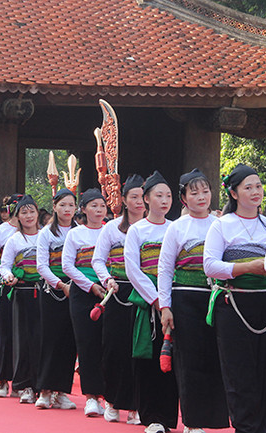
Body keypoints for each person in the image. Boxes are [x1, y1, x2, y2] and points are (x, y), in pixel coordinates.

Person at [204, 163, 266, 433]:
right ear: (234, 193)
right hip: (234, 304)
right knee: (239, 372)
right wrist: (247, 268)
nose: (256, 191)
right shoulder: (221, 225)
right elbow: (210, 266)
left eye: (258, 186)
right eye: (248, 187)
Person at [158, 169, 229, 433]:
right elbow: (165, 269)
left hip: (216, 298)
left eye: (205, 191)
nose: (201, 197)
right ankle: (192, 421)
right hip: (185, 298)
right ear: (184, 198)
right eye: (194, 192)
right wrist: (165, 306)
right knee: (189, 361)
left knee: (215, 357)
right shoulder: (177, 227)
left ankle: (212, 417)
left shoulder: (221, 223)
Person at [124, 170, 179, 433]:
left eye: (168, 195)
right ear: (146, 199)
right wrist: (157, 299)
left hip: (173, 298)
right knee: (149, 356)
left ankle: (169, 416)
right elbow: (133, 270)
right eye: (159, 195)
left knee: (173, 358)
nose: (164, 200)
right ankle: (152, 417)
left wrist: (168, 299)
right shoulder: (137, 230)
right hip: (148, 302)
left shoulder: (175, 227)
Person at [91, 174, 145, 425]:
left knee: (140, 350)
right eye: (134, 197)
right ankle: (112, 401)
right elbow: (98, 260)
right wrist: (107, 280)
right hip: (118, 291)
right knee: (114, 348)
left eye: (143, 196)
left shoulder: (156, 227)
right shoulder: (111, 228)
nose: (139, 201)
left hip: (145, 293)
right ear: (123, 200)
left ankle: (136, 405)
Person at [62, 188, 108, 417]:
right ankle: (91, 396)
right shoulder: (75, 234)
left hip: (109, 292)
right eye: (94, 206)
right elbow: (67, 266)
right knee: (87, 344)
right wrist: (90, 286)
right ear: (83, 209)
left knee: (107, 344)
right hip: (83, 293)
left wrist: (106, 283)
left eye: (102, 206)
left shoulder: (112, 230)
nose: (99, 210)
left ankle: (108, 396)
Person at [34, 189, 78, 410]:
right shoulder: (46, 233)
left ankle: (62, 392)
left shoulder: (79, 231)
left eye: (71, 205)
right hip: (52, 290)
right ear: (54, 207)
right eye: (63, 205)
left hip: (76, 288)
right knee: (50, 339)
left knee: (69, 341)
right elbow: (41, 265)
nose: (67, 209)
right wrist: (60, 285)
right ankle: (44, 390)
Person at [0, 195, 42, 403]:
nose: (29, 215)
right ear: (17, 216)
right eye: (24, 212)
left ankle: (43, 386)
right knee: (23, 340)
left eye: (32, 211)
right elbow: (4, 265)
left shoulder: (46, 236)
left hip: (44, 291)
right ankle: (24, 385)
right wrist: (8, 276)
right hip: (22, 292)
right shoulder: (14, 240)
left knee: (41, 339)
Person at [0, 193, 22, 398]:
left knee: (25, 335)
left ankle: (22, 380)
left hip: (28, 286)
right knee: (6, 333)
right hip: (5, 286)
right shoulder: (0, 232)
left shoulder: (37, 231)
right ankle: (2, 379)